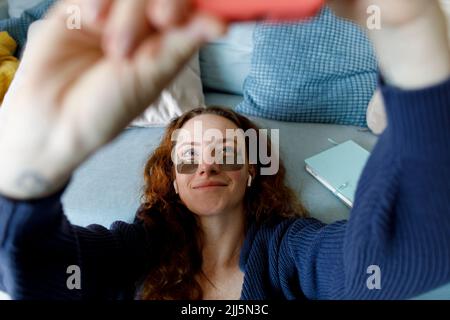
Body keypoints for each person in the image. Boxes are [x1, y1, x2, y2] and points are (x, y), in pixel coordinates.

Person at [0, 0, 449, 300]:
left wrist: (413, 45)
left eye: (226, 151)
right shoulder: (136, 248)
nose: (207, 163)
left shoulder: (288, 251)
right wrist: (28, 167)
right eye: (189, 157)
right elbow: (34, 274)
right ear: (172, 178)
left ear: (252, 170)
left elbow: (399, 257)